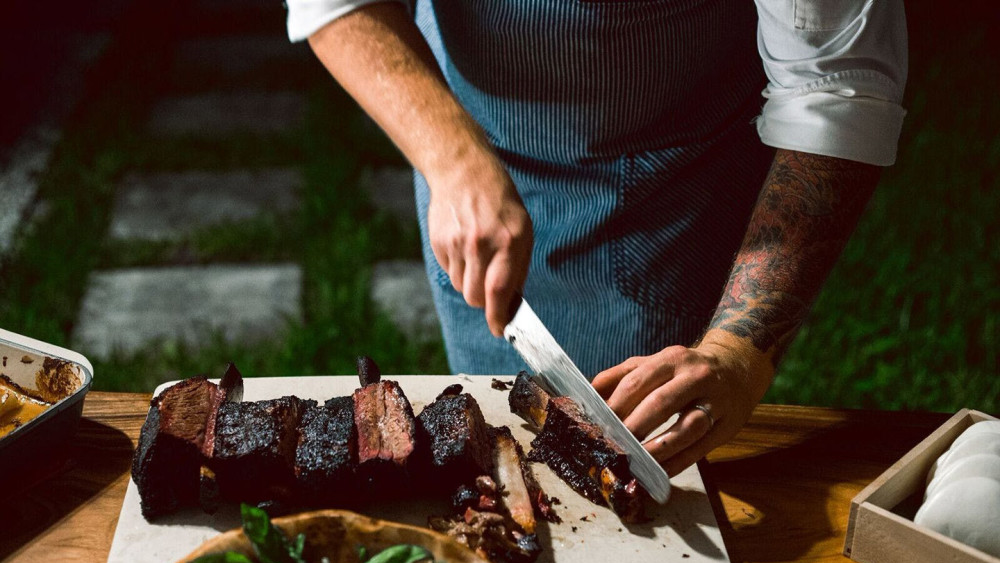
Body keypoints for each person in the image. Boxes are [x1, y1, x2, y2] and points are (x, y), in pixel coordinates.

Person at [286, 0, 907, 477]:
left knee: (641, 465)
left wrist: (739, 357)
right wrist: (451, 159)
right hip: (470, 152)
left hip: (667, 200)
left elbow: (834, 90)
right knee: (496, 452)